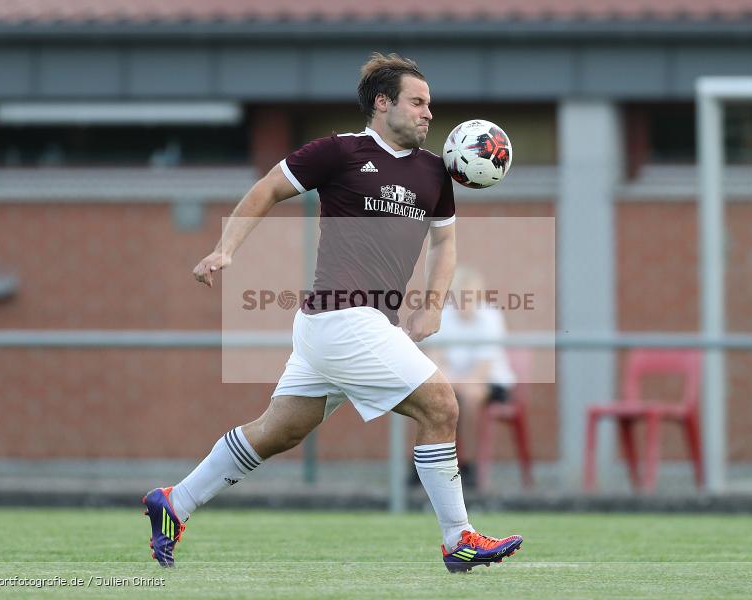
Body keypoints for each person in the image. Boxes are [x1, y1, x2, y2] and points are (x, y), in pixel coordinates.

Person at [142, 52, 522, 573]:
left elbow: (445, 243)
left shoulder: (436, 172)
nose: (428, 113)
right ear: (382, 103)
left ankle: (174, 502)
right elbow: (267, 189)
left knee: (279, 431)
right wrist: (226, 247)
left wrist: (433, 307)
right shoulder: (339, 152)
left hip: (349, 326)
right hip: (343, 316)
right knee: (442, 406)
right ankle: (459, 538)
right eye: (417, 102)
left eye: (430, 104)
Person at [429, 266, 516, 485]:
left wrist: (454, 383)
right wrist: (449, 382)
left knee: (471, 396)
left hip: (491, 383)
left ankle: (468, 465)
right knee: (427, 397)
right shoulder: (444, 316)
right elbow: (434, 358)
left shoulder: (491, 318)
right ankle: (424, 463)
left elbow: (482, 369)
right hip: (454, 382)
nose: (464, 302)